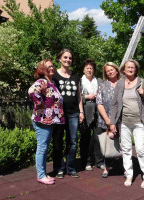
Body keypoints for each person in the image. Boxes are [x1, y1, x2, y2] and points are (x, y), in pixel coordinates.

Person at [110, 59, 144, 188]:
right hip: (124, 123)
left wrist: (143, 93)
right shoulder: (119, 84)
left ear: (136, 69)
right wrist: (112, 123)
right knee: (126, 150)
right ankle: (129, 174)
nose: (130, 69)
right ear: (123, 69)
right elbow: (115, 104)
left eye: (132, 67)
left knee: (140, 149)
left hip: (139, 122)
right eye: (128, 67)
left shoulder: (143, 82)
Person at [28, 59, 65, 185]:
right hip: (42, 120)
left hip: (49, 121)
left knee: (44, 148)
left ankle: (43, 173)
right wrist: (40, 104)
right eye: (48, 66)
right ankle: (41, 175)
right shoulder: (42, 81)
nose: (52, 68)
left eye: (52, 66)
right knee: (42, 148)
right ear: (42, 69)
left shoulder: (52, 82)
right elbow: (32, 91)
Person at [52, 49, 85, 178]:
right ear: (59, 59)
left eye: (70, 58)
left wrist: (81, 111)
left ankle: (70, 167)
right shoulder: (54, 76)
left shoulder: (76, 76)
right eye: (65, 57)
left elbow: (79, 96)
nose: (67, 60)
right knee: (58, 142)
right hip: (59, 115)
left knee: (73, 141)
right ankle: (60, 168)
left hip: (73, 114)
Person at [96, 62, 121, 178]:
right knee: (107, 143)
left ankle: (125, 167)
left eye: (112, 69)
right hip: (107, 119)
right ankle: (106, 167)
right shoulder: (102, 85)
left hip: (122, 119)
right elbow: (99, 103)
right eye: (107, 70)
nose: (110, 72)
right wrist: (107, 120)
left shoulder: (123, 84)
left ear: (116, 70)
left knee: (123, 144)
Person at [79, 58, 104, 170]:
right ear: (84, 70)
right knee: (86, 138)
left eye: (91, 68)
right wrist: (87, 97)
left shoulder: (99, 81)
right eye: (87, 68)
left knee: (98, 137)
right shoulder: (79, 81)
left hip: (98, 111)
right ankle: (87, 161)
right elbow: (77, 97)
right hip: (85, 112)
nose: (89, 70)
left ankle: (99, 161)